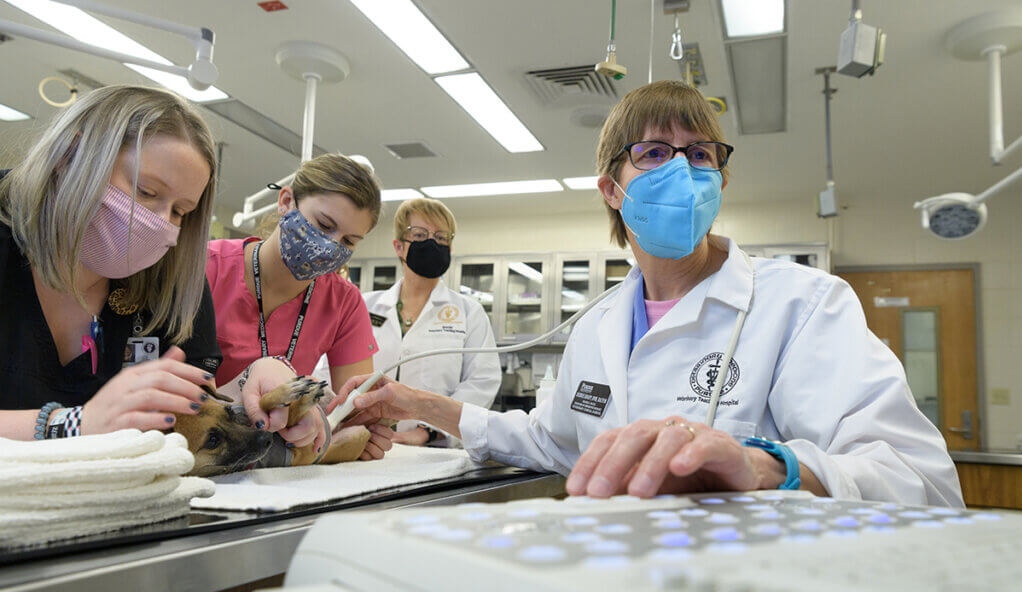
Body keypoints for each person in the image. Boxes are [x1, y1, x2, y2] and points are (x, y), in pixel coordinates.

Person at [332, 80, 963, 507]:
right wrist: (420, 403)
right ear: (612, 189)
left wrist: (773, 467)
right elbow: (553, 441)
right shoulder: (599, 325)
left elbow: (920, 479)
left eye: (701, 154)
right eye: (655, 152)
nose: (683, 170)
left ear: (721, 177)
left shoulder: (804, 305)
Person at [0, 85, 221, 440]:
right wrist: (74, 424)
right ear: (70, 156)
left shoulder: (173, 280)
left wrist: (265, 407)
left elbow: (187, 426)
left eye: (181, 211)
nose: (161, 222)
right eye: (146, 191)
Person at [206, 154, 392, 460]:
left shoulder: (342, 302)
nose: (331, 245)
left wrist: (368, 429)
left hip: (285, 457)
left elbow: (353, 413)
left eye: (348, 241)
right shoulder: (206, 270)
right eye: (324, 225)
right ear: (286, 201)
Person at [362, 198, 500, 447]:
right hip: (363, 441)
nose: (431, 243)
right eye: (420, 235)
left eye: (441, 237)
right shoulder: (365, 306)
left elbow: (482, 382)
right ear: (399, 247)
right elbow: (331, 372)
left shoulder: (469, 313)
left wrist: (429, 432)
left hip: (432, 449)